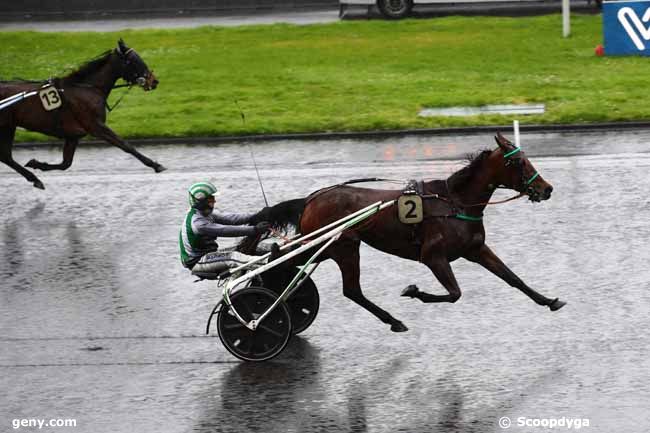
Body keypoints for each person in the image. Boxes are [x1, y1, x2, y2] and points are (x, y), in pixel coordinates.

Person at [179, 181, 271, 276]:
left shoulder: (204, 214)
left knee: (253, 248)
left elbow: (231, 219)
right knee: (233, 257)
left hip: (209, 255)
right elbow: (225, 230)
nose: (214, 201)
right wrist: (255, 229)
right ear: (201, 201)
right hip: (197, 261)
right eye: (211, 199)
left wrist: (256, 216)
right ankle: (270, 263)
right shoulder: (197, 223)